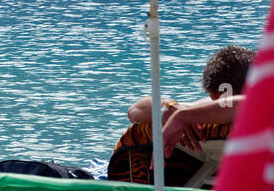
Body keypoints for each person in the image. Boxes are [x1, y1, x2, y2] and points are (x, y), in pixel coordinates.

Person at [108, 45, 255, 183]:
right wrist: (169, 108)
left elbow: (134, 112)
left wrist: (180, 116)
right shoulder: (199, 112)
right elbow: (134, 111)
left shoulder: (193, 115)